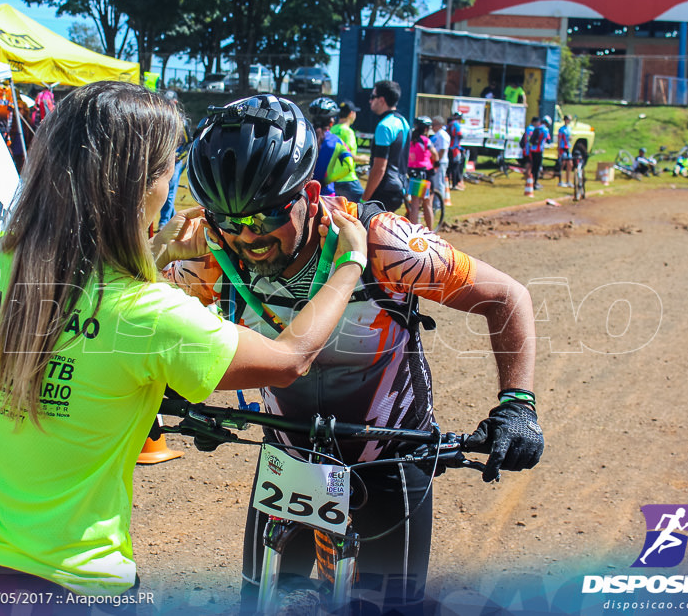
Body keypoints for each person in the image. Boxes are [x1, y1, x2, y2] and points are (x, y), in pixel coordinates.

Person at [0, 82, 369, 609]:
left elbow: (71, 322)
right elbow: (290, 359)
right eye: (167, 171)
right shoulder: (149, 315)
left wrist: (154, 251)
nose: (171, 186)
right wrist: (349, 265)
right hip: (66, 580)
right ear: (137, 186)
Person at [171, 93, 542, 614]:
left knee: (388, 607)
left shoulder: (387, 245)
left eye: (265, 216)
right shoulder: (209, 252)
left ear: (310, 193)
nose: (248, 238)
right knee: (258, 604)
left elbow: (507, 297)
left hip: (390, 454)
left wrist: (517, 404)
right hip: (289, 457)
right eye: (229, 221)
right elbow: (145, 327)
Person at [362, 80, 411, 212]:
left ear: (382, 100)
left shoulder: (384, 126)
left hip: (384, 191)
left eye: (373, 97)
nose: (370, 101)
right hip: (399, 188)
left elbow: (379, 169)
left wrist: (364, 200)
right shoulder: (403, 122)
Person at [309, 96, 360, 201]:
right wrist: (325, 181)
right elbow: (348, 166)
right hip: (326, 196)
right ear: (331, 122)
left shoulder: (303, 137)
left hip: (302, 194)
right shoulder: (336, 142)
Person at [158, 90, 193, 228]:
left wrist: (178, 157)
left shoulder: (181, 121)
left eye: (169, 101)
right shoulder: (160, 118)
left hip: (176, 160)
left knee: (169, 190)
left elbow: (189, 142)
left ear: (175, 102)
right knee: (161, 189)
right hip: (162, 159)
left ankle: (163, 221)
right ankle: (175, 218)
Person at [407, 116, 437, 229]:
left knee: (414, 205)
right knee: (427, 204)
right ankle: (430, 231)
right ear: (426, 129)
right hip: (425, 172)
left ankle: (413, 231)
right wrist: (437, 162)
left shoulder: (410, 139)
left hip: (413, 172)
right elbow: (435, 154)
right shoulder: (425, 140)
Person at [430, 115, 451, 205]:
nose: (432, 127)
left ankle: (438, 204)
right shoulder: (437, 134)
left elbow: (442, 150)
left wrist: (437, 161)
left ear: (440, 125)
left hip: (440, 162)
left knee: (439, 183)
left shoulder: (442, 135)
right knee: (435, 182)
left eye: (434, 124)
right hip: (437, 161)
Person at [446, 111, 466, 191]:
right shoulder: (456, 125)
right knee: (455, 166)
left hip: (449, 148)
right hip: (454, 148)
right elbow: (460, 135)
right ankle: (454, 184)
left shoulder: (449, 124)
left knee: (449, 167)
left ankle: (448, 183)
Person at [556, 115, 573, 188]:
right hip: (563, 147)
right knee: (562, 164)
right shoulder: (561, 129)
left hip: (567, 147)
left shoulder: (569, 128)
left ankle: (568, 180)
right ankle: (560, 181)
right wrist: (559, 148)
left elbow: (570, 137)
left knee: (570, 164)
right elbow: (559, 138)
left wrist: (570, 138)